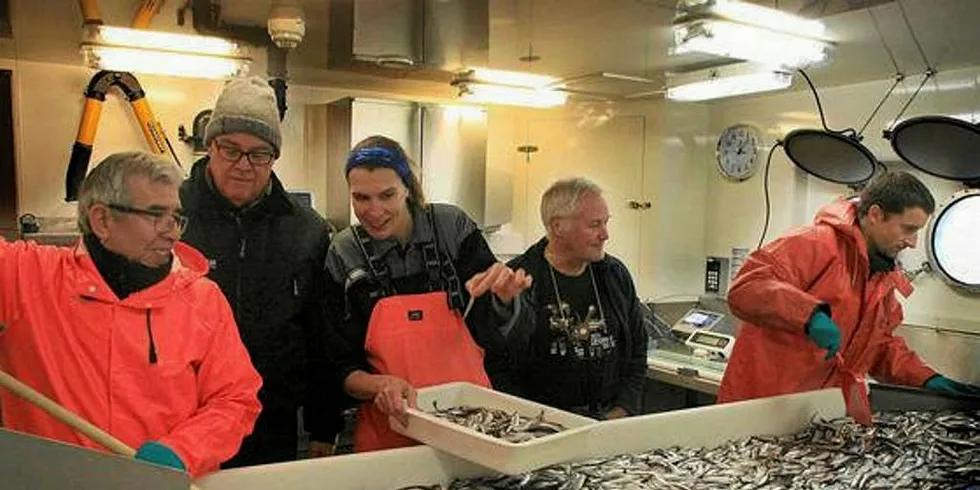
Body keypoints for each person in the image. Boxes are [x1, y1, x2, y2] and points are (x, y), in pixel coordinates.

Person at [0, 151, 262, 477]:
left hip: (161, 486)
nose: (172, 232)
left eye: (176, 217)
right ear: (102, 220)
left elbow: (235, 399)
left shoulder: (203, 300)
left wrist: (182, 451)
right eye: (155, 215)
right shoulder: (25, 277)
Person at [322, 135, 532, 452]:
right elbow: (336, 363)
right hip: (389, 431)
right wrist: (380, 385)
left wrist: (502, 297)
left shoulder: (453, 228)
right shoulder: (344, 253)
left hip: (470, 426)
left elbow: (499, 339)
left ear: (409, 187)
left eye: (387, 195)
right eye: (361, 198)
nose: (374, 210)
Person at [180, 76, 340, 465]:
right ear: (210, 146)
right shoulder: (171, 215)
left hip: (270, 425)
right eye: (230, 149)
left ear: (273, 158)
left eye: (258, 154)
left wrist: (324, 424)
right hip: (182, 418)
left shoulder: (307, 230)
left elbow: (320, 335)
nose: (243, 165)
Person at [718, 171, 980, 403]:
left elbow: (879, 348)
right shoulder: (815, 243)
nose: (912, 242)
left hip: (815, 411)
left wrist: (926, 379)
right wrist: (809, 315)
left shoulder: (882, 278)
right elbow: (746, 288)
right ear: (876, 214)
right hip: (758, 405)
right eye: (908, 229)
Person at [503, 178, 648, 420]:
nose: (605, 235)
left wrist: (623, 410)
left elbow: (637, 351)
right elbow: (500, 367)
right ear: (558, 226)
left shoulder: (615, 275)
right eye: (594, 225)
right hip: (542, 427)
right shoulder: (518, 281)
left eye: (605, 223)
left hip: (611, 421)